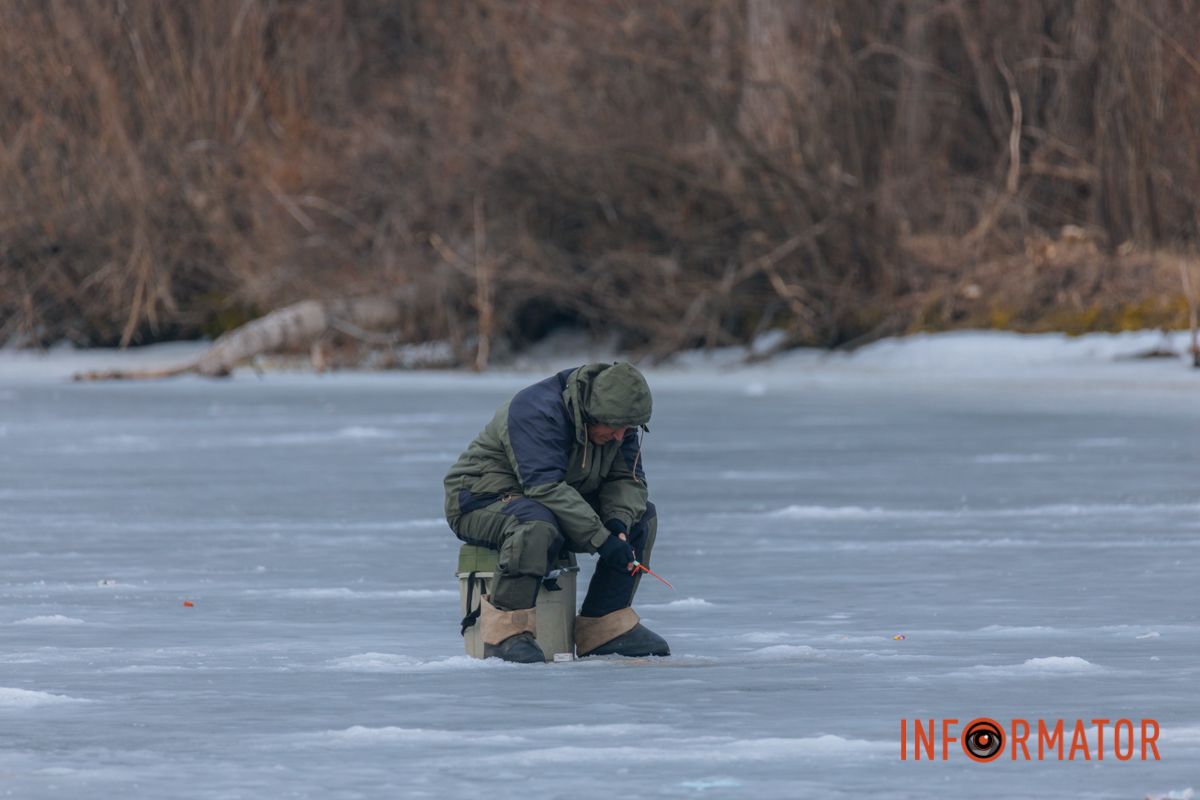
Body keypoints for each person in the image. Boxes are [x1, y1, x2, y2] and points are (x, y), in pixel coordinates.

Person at [444, 362, 669, 663]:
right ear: (592, 413)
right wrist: (602, 539)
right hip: (480, 498)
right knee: (536, 524)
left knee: (641, 517)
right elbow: (544, 487)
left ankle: (604, 628)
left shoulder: (620, 423)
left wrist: (617, 524)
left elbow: (627, 480)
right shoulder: (536, 411)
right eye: (615, 428)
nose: (620, 437)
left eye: (627, 430)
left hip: (548, 499)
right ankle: (506, 632)